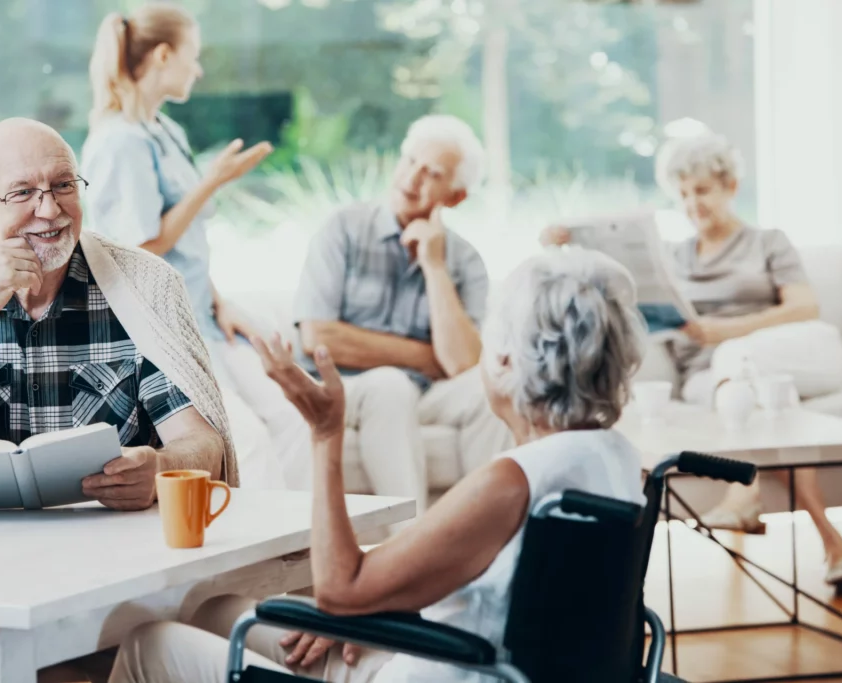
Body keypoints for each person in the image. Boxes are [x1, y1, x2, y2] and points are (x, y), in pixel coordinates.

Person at [107, 247, 648, 683]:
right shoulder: (615, 460)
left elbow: (342, 588)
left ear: (506, 361)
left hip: (444, 669)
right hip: (481, 658)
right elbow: (490, 583)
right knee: (217, 611)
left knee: (148, 644)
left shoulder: (511, 482)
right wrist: (370, 609)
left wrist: (326, 434)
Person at [0, 117, 236, 683]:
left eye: (64, 185)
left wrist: (163, 469)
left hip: (108, 587)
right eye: (23, 192)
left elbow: (205, 446)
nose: (50, 210)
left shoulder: (143, 288)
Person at [544, 131, 842, 589]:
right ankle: (833, 543)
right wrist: (569, 247)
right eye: (684, 193)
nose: (693, 203)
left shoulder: (767, 241)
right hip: (713, 381)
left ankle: (744, 496)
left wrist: (724, 333)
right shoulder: (673, 257)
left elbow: (804, 308)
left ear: (730, 186)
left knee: (740, 359)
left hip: (792, 352)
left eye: (703, 190)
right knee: (775, 406)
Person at [81, 3, 303, 489]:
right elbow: (141, 253)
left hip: (203, 314)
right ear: (163, 55)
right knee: (249, 445)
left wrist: (221, 302)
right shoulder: (120, 142)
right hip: (166, 328)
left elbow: (188, 247)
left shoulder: (164, 130)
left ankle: (308, 552)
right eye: (193, 56)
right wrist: (212, 182)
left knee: (293, 418)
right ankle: (257, 553)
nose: (197, 69)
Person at [292, 114, 513, 518]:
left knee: (492, 386)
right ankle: (413, 547)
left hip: (424, 393)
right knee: (390, 387)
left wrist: (434, 267)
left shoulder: (464, 260)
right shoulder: (343, 229)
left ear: (456, 196)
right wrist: (423, 356)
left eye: (432, 173)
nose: (412, 179)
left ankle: (487, 537)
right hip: (347, 388)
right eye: (410, 161)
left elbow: (463, 364)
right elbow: (319, 338)